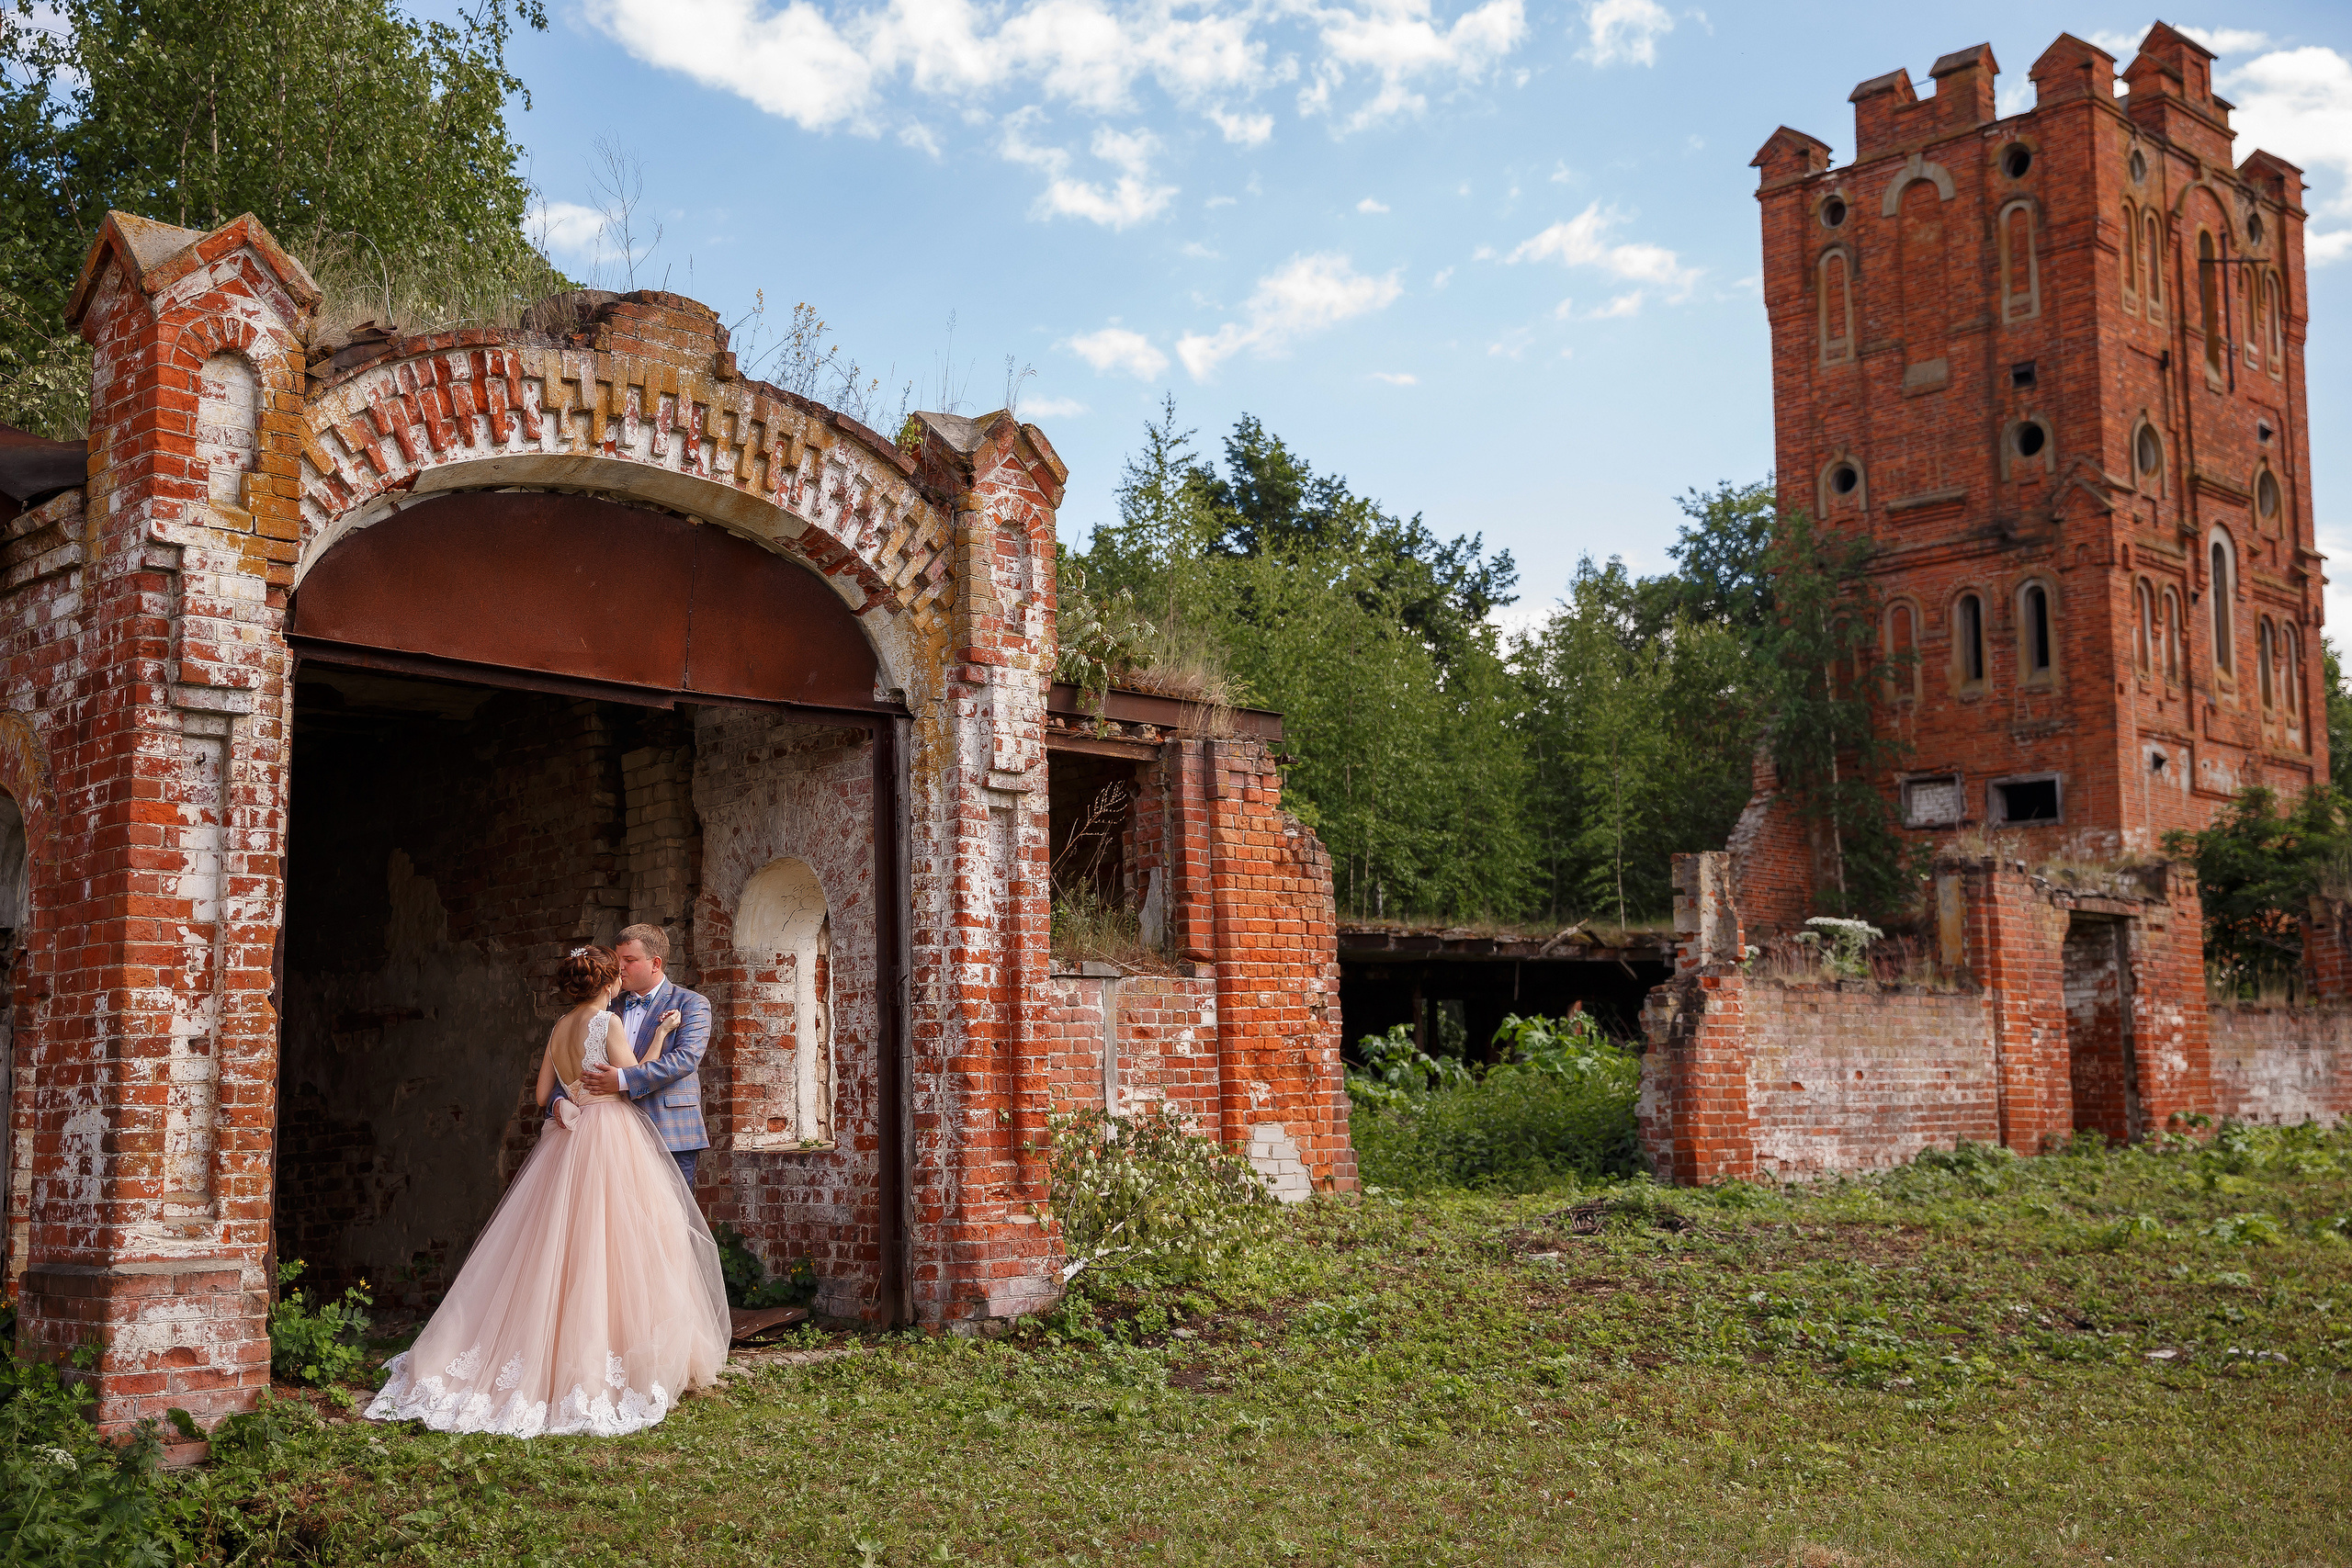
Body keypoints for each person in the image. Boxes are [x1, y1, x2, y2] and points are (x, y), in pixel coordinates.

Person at [365, 945, 729, 1438]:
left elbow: (543, 1097)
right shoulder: (608, 1024)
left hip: (568, 1135)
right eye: (615, 974)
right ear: (606, 983)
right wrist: (661, 1034)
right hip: (609, 1133)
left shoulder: (558, 1028)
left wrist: (567, 1102)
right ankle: (616, 1354)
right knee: (621, 1241)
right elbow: (631, 1080)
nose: (621, 980)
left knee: (557, 1244)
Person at [575, 924, 714, 1196]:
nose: (620, 968)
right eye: (618, 961)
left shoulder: (691, 1003)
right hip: (613, 1135)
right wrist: (559, 1098)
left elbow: (685, 1059)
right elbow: (578, 1057)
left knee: (675, 1220)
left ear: (656, 963)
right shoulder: (607, 1005)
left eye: (630, 960)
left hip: (670, 1131)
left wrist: (622, 1079)